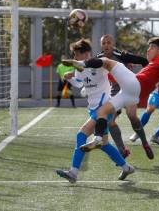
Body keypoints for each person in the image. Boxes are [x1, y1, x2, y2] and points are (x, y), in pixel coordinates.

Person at [64, 37, 159, 160]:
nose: (148, 50)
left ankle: (80, 63)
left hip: (133, 84)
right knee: (102, 112)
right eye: (104, 43)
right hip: (129, 93)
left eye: (152, 47)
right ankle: (98, 139)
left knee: (107, 62)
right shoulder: (153, 63)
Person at [56, 39, 134, 183]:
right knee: (104, 145)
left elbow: (109, 65)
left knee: (81, 135)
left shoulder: (99, 64)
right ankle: (126, 167)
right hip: (93, 108)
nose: (74, 58)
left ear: (86, 54)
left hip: (104, 109)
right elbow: (80, 84)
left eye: (76, 54)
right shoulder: (79, 68)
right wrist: (70, 79)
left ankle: (73, 172)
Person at [97, 34, 149, 158]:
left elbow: (144, 61)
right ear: (101, 45)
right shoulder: (98, 59)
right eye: (104, 43)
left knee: (132, 116)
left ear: (113, 44)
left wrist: (143, 78)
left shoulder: (121, 55)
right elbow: (90, 70)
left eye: (109, 42)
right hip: (115, 91)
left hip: (128, 89)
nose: (106, 45)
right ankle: (122, 150)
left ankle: (144, 142)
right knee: (110, 122)